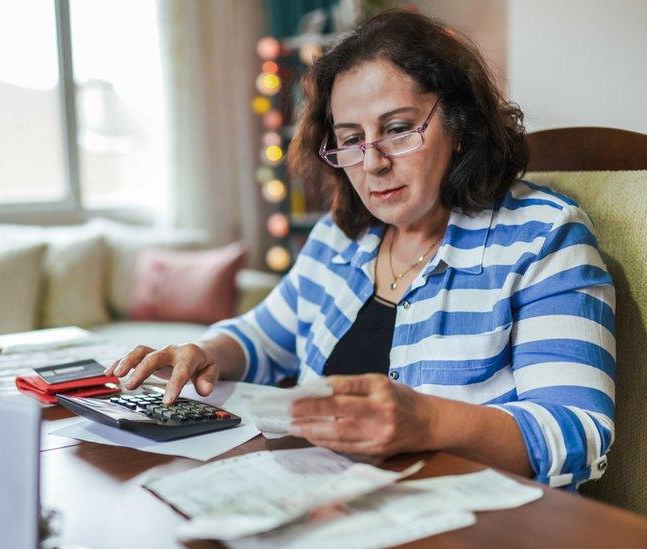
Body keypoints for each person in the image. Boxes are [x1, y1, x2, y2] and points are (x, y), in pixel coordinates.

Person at [105, 9, 615, 490]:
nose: (372, 164)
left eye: (397, 130)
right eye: (351, 138)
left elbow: (578, 431)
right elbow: (267, 334)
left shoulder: (544, 237)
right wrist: (206, 352)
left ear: (459, 125)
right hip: (325, 499)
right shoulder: (342, 233)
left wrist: (428, 421)